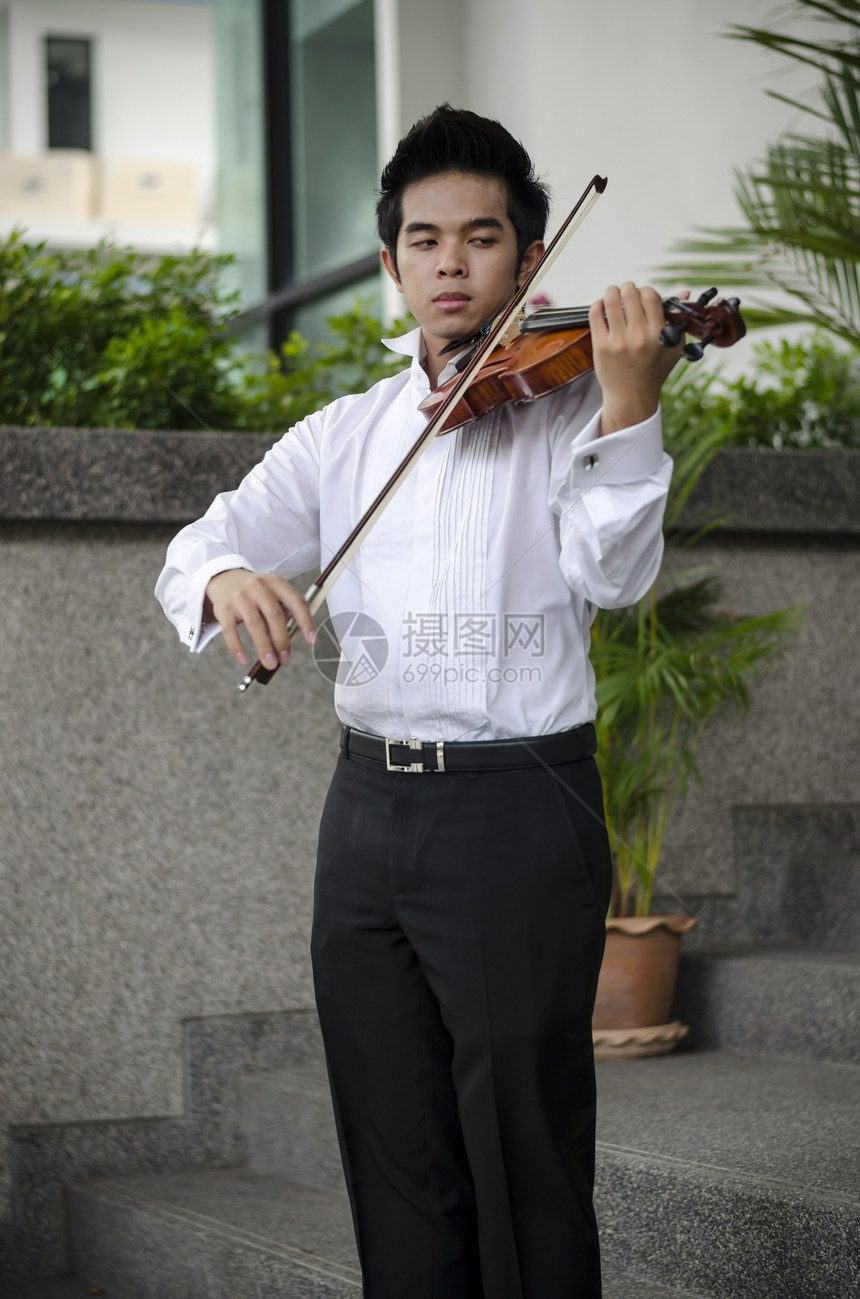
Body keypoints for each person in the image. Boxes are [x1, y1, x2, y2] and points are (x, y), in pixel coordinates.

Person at [156, 105, 678, 1299]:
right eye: (426, 240)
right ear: (391, 264)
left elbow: (614, 575)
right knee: (393, 1155)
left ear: (528, 260)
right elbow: (199, 543)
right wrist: (227, 573)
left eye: (482, 238)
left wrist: (632, 405)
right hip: (364, 819)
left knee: (522, 1154)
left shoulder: (572, 411)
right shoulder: (344, 436)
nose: (452, 261)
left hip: (514, 809)